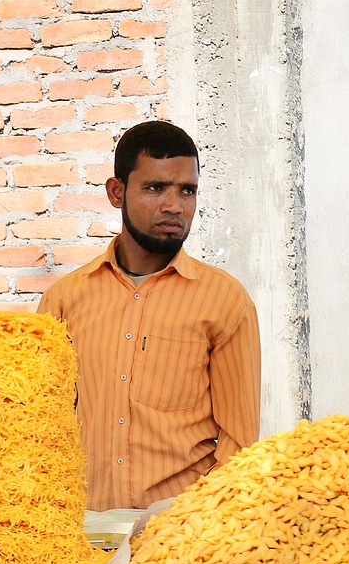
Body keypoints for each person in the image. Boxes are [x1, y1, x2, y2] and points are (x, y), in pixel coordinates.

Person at [37, 120, 261, 511]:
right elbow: (44, 429)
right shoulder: (64, 301)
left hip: (180, 536)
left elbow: (239, 444)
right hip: (85, 533)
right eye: (156, 188)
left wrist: (197, 526)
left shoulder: (224, 301)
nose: (174, 205)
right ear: (116, 192)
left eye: (186, 190)